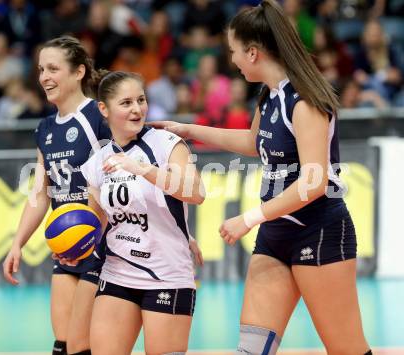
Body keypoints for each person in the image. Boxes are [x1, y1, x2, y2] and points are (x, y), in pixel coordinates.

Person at [150, 2, 372, 355]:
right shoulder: (270, 95)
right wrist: (189, 130)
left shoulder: (304, 101)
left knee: (347, 349)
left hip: (319, 231)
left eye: (234, 51)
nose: (233, 60)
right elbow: (254, 142)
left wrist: (249, 218)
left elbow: (313, 182)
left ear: (253, 52)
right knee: (252, 351)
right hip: (276, 234)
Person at [80, 71, 205, 355]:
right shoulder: (98, 161)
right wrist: (74, 246)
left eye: (141, 100)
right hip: (117, 273)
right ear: (104, 109)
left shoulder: (165, 143)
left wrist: (142, 169)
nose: (137, 109)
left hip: (166, 274)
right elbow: (96, 221)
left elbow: (196, 192)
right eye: (126, 103)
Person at [2, 36, 111, 355]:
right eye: (40, 70)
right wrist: (16, 243)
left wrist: (89, 235)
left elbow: (114, 180)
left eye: (53, 68)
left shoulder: (97, 116)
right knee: (63, 346)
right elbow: (40, 192)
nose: (44, 77)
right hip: (67, 246)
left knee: (86, 346)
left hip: (100, 243)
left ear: (78, 72)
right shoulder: (45, 128)